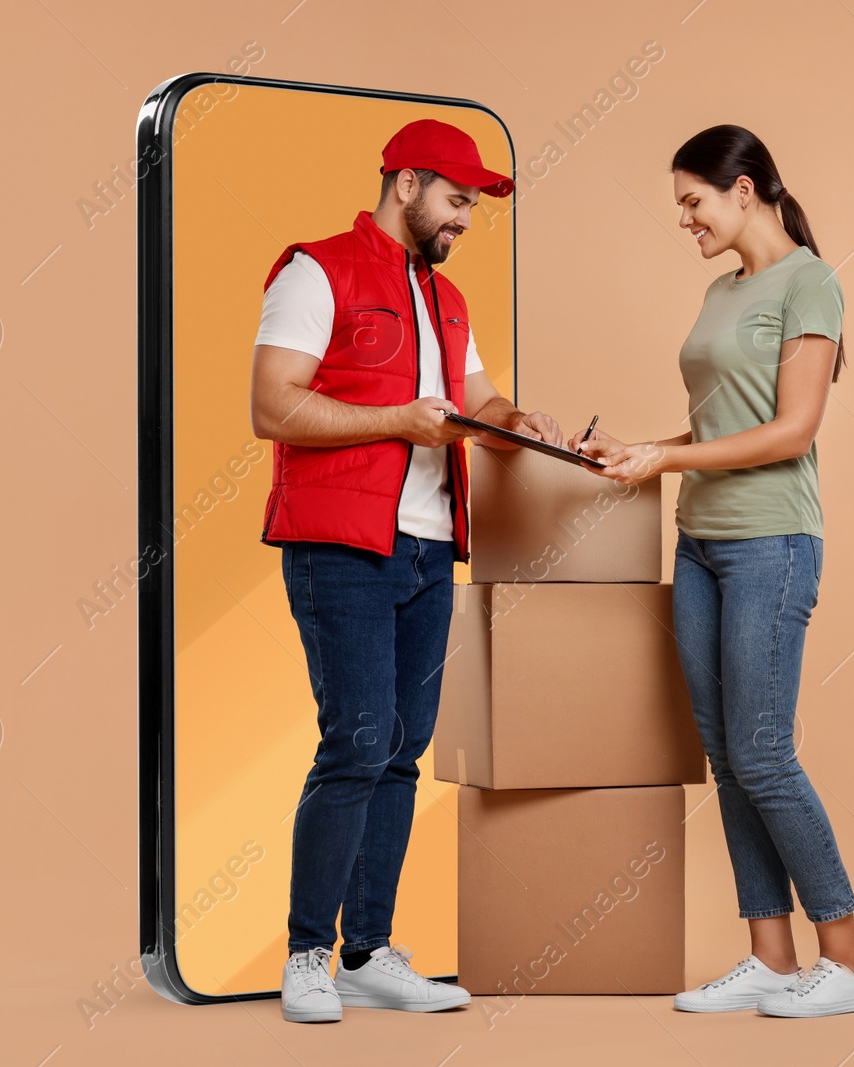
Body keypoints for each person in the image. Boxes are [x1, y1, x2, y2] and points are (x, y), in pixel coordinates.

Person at [250, 118, 565, 1024]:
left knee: (401, 751)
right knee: (354, 739)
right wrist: (397, 421)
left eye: (472, 206)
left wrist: (518, 417)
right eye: (458, 200)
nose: (465, 219)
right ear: (408, 183)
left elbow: (473, 399)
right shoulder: (317, 269)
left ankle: (368, 952)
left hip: (431, 547)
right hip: (343, 546)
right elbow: (273, 406)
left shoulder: (447, 296)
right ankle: (308, 952)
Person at [571, 124, 854, 1019]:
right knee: (728, 755)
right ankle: (771, 956)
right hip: (700, 541)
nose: (684, 219)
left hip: (771, 544)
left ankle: (848, 963)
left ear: (745, 190)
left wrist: (661, 466)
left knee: (764, 752)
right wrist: (639, 449)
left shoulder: (812, 281)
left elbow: (792, 431)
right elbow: (715, 429)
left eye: (692, 201)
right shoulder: (719, 290)